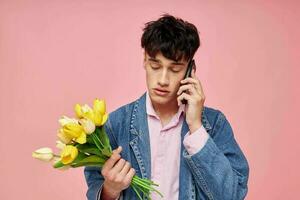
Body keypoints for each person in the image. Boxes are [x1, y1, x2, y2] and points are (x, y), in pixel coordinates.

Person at [84, 14, 249, 200]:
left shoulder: (214, 124)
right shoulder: (116, 124)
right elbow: (95, 190)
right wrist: (110, 190)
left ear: (190, 70)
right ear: (145, 60)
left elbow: (233, 195)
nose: (163, 80)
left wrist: (196, 127)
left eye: (175, 69)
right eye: (155, 66)